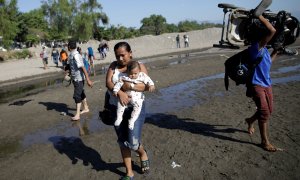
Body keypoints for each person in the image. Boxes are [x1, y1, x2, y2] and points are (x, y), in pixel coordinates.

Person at [105, 42, 150, 179]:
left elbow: (145, 86)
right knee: (122, 140)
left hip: (135, 109)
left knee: (133, 141)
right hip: (116, 108)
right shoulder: (113, 66)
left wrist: (127, 86)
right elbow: (108, 83)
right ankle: (129, 173)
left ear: (130, 53)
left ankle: (142, 153)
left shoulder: (139, 66)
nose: (120, 59)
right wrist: (120, 93)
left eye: (123, 55)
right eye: (117, 56)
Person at [245, 4, 281, 152]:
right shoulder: (255, 47)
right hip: (256, 84)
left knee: (268, 110)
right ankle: (264, 142)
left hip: (267, 83)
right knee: (264, 112)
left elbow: (268, 63)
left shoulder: (264, 49)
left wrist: (277, 51)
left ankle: (250, 120)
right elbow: (272, 30)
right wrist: (259, 15)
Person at [113, 60, 155, 130]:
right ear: (127, 72)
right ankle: (119, 117)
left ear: (139, 71)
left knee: (137, 108)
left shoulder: (142, 75)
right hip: (126, 95)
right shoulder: (124, 76)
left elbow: (148, 80)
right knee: (120, 104)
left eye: (135, 73)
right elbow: (119, 83)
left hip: (137, 97)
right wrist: (115, 90)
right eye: (131, 74)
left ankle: (132, 120)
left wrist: (151, 85)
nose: (133, 75)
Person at [67, 41, 93, 121]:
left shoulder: (76, 55)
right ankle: (85, 108)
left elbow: (83, 68)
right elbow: (72, 67)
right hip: (75, 78)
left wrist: (88, 80)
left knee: (77, 96)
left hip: (79, 79)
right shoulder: (71, 54)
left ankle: (77, 115)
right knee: (81, 93)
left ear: (69, 47)